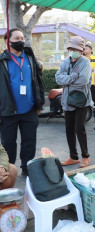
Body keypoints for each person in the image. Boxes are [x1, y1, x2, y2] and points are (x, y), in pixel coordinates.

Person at [0, 28, 44, 176]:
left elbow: (38, 81)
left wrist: (39, 103)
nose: (21, 41)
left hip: (29, 110)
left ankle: (27, 167)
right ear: (8, 41)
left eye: (22, 38)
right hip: (8, 111)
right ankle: (9, 171)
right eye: (17, 38)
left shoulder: (30, 58)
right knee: (8, 145)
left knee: (29, 142)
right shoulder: (2, 61)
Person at [56, 36, 92, 168]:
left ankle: (85, 156)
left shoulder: (85, 63)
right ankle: (73, 156)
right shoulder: (65, 62)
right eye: (71, 49)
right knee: (69, 129)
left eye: (75, 49)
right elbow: (58, 79)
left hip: (82, 101)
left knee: (79, 128)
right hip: (67, 101)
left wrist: (68, 81)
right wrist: (73, 77)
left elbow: (83, 82)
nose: (73, 51)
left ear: (81, 50)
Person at [83, 42, 95, 107]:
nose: (84, 50)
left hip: (94, 83)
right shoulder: (81, 59)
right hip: (84, 82)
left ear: (91, 50)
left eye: (86, 49)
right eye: (83, 49)